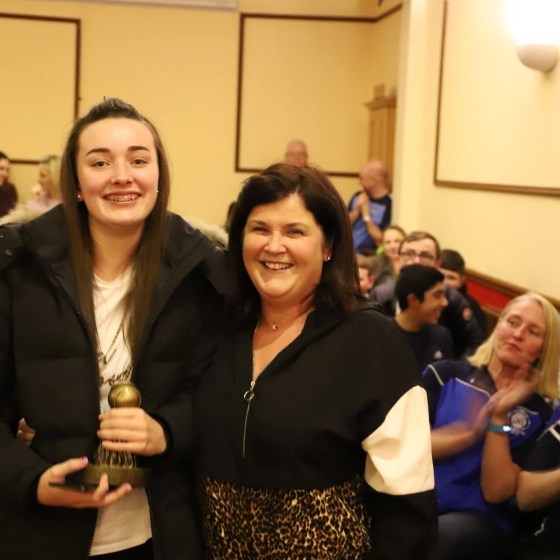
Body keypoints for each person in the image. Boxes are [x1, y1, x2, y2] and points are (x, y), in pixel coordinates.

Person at [0, 98, 225, 559]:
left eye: (139, 160)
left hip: (158, 532)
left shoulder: (200, 273)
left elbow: (216, 391)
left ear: (159, 177)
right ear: (76, 184)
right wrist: (31, 480)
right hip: (41, 530)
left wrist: (166, 430)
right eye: (100, 162)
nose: (122, 176)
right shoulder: (20, 270)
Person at [194, 163, 437, 559]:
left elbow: (407, 504)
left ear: (327, 247)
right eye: (260, 229)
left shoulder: (370, 340)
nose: (274, 246)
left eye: (294, 231)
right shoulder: (217, 328)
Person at [423, 293, 560, 560]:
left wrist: (499, 419)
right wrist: (469, 433)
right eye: (513, 322)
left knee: (441, 538)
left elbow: (497, 492)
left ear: (544, 349)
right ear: (498, 326)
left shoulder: (542, 412)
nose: (517, 334)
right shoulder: (444, 374)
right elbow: (410, 448)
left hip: (479, 521)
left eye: (532, 332)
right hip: (417, 498)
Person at [371, 231, 485, 358]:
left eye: (425, 256)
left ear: (437, 264)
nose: (416, 261)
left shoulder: (452, 300)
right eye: (409, 254)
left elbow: (476, 345)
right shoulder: (381, 295)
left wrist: (452, 367)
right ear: (398, 259)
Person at [394, 264, 454, 371]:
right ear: (413, 300)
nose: (445, 302)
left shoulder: (442, 336)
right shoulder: (383, 333)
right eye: (437, 295)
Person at [348, 158, 392, 255]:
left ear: (373, 180)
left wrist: (366, 216)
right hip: (349, 252)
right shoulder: (357, 196)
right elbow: (343, 225)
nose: (359, 182)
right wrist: (357, 210)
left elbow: (381, 239)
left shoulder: (389, 203)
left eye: (362, 178)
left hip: (372, 255)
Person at [439, 248, 487, 334]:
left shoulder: (470, 306)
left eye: (451, 278)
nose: (445, 282)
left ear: (461, 281)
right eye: (440, 276)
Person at [371, 223, 406, 289]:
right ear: (382, 246)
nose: (393, 246)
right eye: (388, 242)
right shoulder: (375, 263)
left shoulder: (413, 263)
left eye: (397, 241)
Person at [0, 150, 18, 217]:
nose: (5, 174)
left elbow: (11, 215)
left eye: (7, 170)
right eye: (1, 168)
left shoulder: (10, 189)